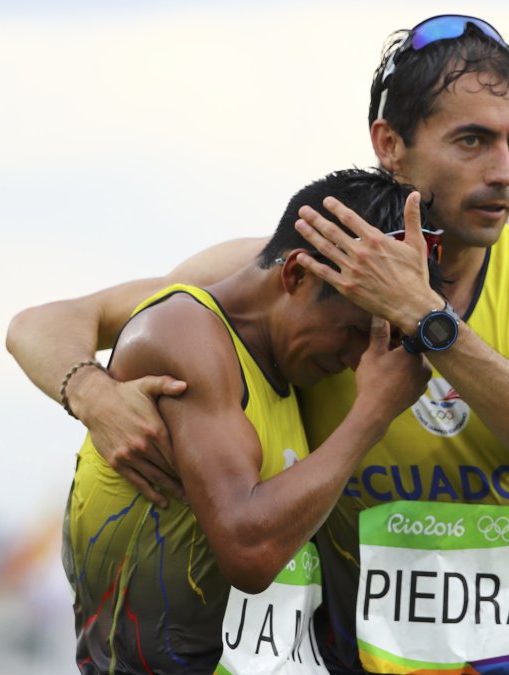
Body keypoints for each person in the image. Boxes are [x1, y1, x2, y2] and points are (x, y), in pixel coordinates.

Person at [8, 14, 509, 673]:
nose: (504, 172)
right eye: (473, 141)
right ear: (390, 144)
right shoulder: (297, 273)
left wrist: (429, 321)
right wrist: (89, 390)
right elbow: (44, 322)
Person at [60, 168, 441, 674]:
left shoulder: (289, 370)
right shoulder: (183, 334)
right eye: (352, 331)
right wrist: (371, 414)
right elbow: (250, 549)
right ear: (297, 275)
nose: (356, 361)